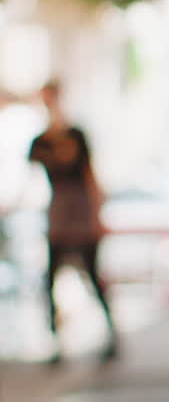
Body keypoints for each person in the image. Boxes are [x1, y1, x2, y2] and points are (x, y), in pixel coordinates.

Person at [28, 80, 118, 365]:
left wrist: (96, 215)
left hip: (78, 211)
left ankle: (110, 334)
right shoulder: (41, 141)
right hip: (58, 212)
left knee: (91, 274)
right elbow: (30, 179)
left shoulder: (76, 135)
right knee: (51, 279)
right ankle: (55, 340)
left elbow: (91, 177)